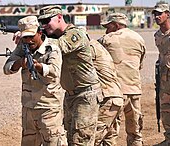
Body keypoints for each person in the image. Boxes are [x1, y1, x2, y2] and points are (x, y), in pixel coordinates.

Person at [38, 5, 103, 146]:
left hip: (86, 95)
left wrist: (35, 37)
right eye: (41, 22)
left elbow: (58, 47)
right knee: (69, 137)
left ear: (59, 17)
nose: (44, 25)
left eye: (47, 20)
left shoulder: (75, 34)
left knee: (81, 141)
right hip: (70, 95)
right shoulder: (53, 36)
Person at [3, 15, 67, 146]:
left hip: (49, 109)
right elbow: (6, 68)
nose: (28, 41)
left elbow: (54, 73)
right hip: (28, 109)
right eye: (24, 37)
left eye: (31, 36)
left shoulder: (52, 49)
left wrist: (37, 66)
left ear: (39, 32)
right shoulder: (23, 47)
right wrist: (19, 63)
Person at [99, 13, 146, 146]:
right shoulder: (139, 38)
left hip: (114, 93)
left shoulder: (106, 39)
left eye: (108, 26)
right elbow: (140, 65)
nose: (106, 30)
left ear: (117, 25)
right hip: (134, 90)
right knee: (135, 130)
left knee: (111, 131)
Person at [79, 26, 124, 146]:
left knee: (91, 140)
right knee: (109, 140)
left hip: (107, 99)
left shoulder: (89, 49)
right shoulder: (97, 46)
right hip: (115, 97)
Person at [152, 3, 170, 146]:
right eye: (155, 14)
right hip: (165, 79)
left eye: (160, 13)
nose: (157, 16)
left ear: (168, 14)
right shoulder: (157, 35)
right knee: (166, 110)